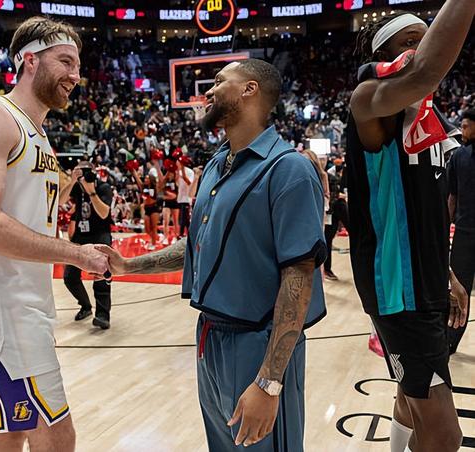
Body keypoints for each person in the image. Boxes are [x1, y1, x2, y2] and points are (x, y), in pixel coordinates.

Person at [98, 59, 327, 450]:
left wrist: (269, 382)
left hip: (258, 343)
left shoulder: (288, 169)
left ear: (249, 89)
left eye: (219, 81)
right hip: (210, 336)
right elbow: (196, 243)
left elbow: (299, 276)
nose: (208, 90)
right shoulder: (218, 165)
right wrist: (127, 265)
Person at [0, 17, 109, 452]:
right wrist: (76, 253)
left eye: (78, 64)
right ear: (29, 60)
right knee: (57, 435)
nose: (76, 75)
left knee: (7, 432)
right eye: (65, 61)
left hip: (22, 307)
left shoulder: (38, 134)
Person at [347, 5, 473, 452]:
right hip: (398, 290)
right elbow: (424, 71)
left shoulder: (429, 120)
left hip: (424, 283)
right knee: (444, 436)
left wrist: (446, 273)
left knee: (411, 392)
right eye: (409, 41)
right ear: (383, 56)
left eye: (426, 36)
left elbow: (427, 214)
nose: (422, 46)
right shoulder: (368, 99)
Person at [60, 161, 114, 329]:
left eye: (87, 172)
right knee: (70, 276)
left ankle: (102, 315)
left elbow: (104, 213)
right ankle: (85, 306)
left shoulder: (104, 188)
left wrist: (92, 192)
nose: (84, 176)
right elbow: (60, 201)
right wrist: (72, 182)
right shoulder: (77, 188)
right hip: (81, 235)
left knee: (101, 274)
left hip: (100, 234)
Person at [446, 108, 475, 354]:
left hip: (465, 233)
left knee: (460, 289)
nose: (462, 130)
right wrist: (445, 227)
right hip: (465, 232)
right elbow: (452, 196)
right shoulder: (459, 156)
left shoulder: (458, 156)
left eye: (465, 126)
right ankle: (450, 340)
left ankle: (449, 342)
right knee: (458, 290)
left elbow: (451, 199)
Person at [323, 161, 349, 281]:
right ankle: (326, 269)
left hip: (332, 210)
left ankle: (326, 269)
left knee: (328, 239)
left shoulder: (328, 175)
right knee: (327, 239)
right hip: (332, 209)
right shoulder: (326, 175)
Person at [176, 159, 195, 238]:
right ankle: (189, 234)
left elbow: (189, 182)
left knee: (184, 218)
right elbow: (177, 184)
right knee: (185, 219)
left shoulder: (190, 172)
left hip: (187, 198)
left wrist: (183, 172)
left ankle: (181, 234)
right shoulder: (178, 172)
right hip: (180, 198)